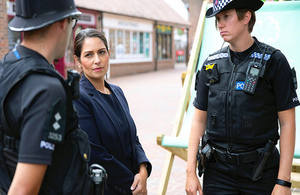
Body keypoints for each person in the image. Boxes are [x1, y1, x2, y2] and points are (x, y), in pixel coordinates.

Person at [185, 0, 299, 194]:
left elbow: (287, 123)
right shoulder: (211, 64)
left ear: (246, 17)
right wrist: (190, 173)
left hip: (260, 172)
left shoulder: (274, 61)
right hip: (217, 174)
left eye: (226, 17)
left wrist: (283, 181)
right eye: (218, 19)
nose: (220, 24)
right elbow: (198, 119)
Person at [0, 0, 93, 194]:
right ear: (62, 22)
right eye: (73, 21)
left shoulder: (7, 65)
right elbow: (23, 190)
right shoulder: (47, 89)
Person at [73, 28, 152, 195]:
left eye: (101, 52)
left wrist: (143, 170)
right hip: (107, 189)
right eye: (88, 55)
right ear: (78, 61)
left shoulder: (117, 92)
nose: (97, 60)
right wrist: (132, 185)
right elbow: (94, 153)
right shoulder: (80, 98)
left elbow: (133, 138)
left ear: (109, 53)